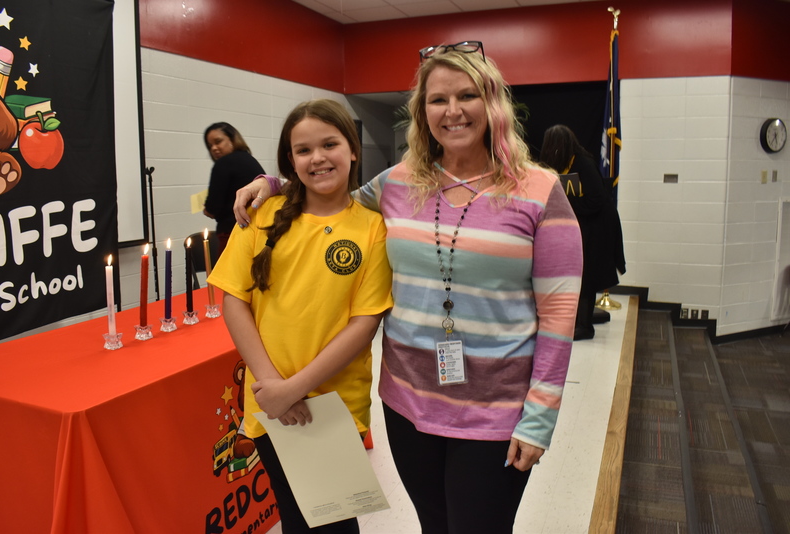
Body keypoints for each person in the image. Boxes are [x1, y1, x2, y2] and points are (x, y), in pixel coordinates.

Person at [233, 42, 582, 534]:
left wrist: (539, 417)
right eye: (438, 100)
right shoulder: (397, 183)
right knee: (434, 525)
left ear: (493, 104)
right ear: (422, 113)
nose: (453, 111)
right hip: (409, 405)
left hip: (495, 412)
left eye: (468, 95)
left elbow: (560, 314)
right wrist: (271, 183)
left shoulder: (540, 190)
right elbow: (330, 199)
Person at [207, 99, 393, 534]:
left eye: (330, 144)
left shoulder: (372, 227)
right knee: (295, 519)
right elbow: (234, 301)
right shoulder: (262, 214)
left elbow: (364, 325)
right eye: (304, 150)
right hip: (270, 402)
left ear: (353, 150)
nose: (318, 158)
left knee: (332, 523)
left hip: (330, 406)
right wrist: (274, 386)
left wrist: (294, 389)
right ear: (289, 160)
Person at [540, 124, 625, 340]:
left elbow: (596, 200)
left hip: (600, 225)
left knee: (587, 275)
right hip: (584, 225)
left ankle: (585, 327)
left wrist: (566, 201)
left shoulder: (583, 163)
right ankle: (576, 319)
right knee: (577, 274)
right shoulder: (560, 165)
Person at [203, 122, 266, 255]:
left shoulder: (223, 164)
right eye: (210, 146)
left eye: (218, 141)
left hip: (233, 232)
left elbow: (213, 208)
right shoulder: (249, 159)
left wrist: (207, 209)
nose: (214, 148)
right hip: (260, 231)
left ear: (232, 139)